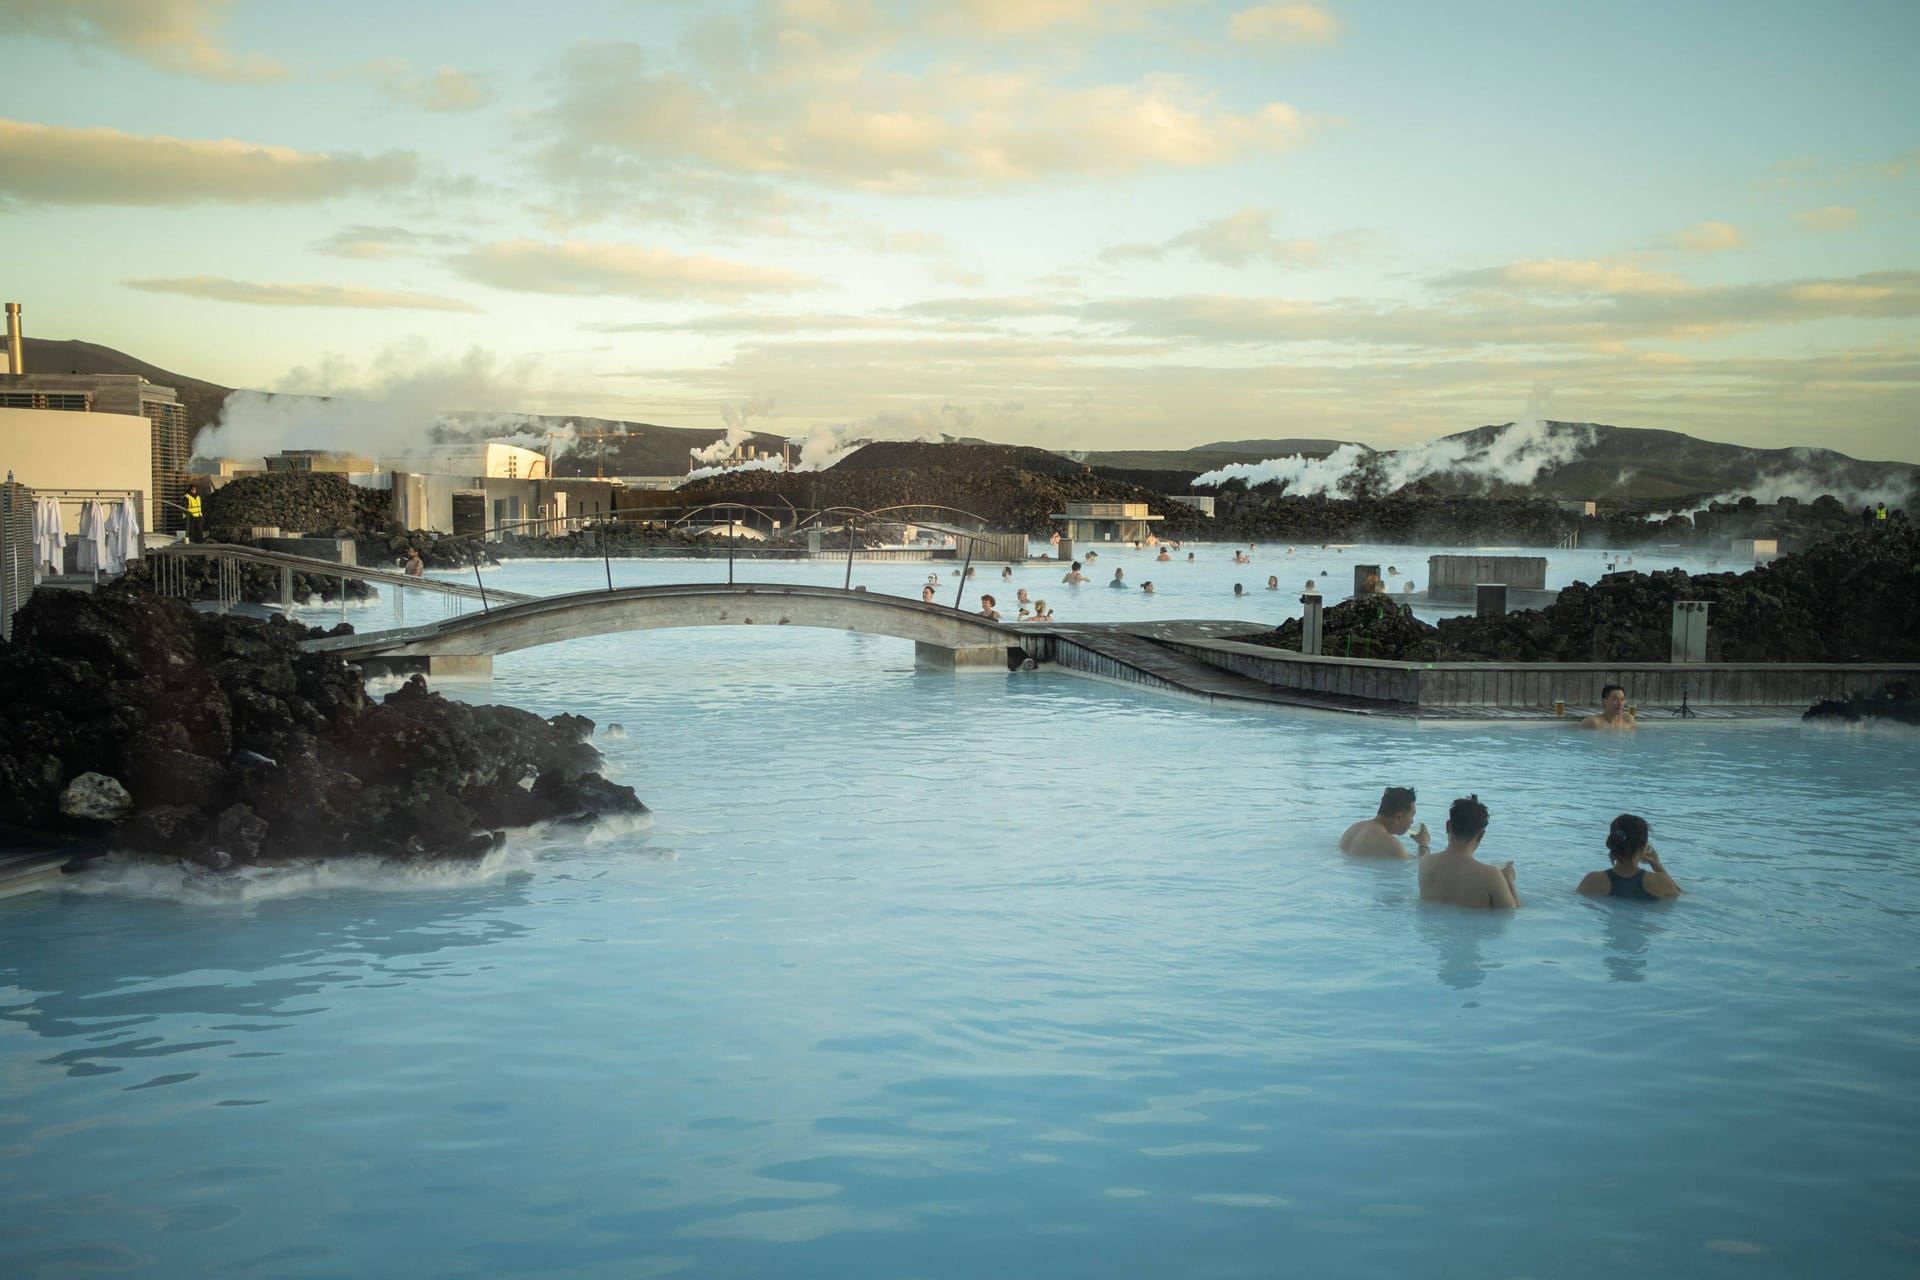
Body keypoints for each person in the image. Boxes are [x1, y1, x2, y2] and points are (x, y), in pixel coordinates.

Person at [1418, 795, 1519, 909]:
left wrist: (1423, 845)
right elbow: (1512, 913)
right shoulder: (1491, 875)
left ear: (1448, 826)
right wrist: (1508, 881)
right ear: (1481, 835)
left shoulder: (1424, 863)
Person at [1577, 814, 1682, 900]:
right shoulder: (1660, 882)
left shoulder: (1592, 880)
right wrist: (1657, 864)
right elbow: (1681, 896)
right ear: (1644, 846)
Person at [1340, 786, 1429, 859]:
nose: (1412, 821)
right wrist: (1423, 845)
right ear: (1398, 818)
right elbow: (1424, 867)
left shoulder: (1353, 828)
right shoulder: (1392, 845)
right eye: (1412, 815)